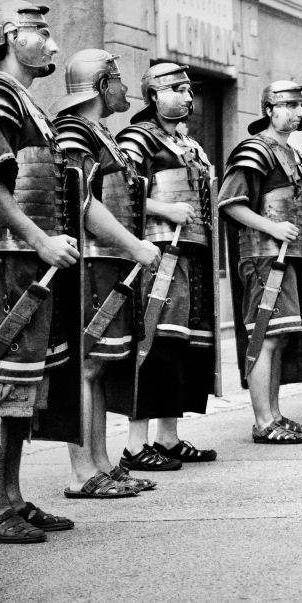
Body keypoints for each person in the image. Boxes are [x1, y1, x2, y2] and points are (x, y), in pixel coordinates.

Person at [0, 0, 80, 543]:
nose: (52, 43)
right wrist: (40, 239)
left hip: (31, 261)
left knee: (23, 386)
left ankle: (13, 497)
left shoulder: (27, 102)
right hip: (5, 258)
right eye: (40, 32)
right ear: (9, 35)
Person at [52, 49, 163, 496]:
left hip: (108, 264)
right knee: (85, 366)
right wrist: (134, 246)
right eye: (119, 79)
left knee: (96, 367)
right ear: (101, 85)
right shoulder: (74, 130)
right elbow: (80, 199)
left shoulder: (100, 132)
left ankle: (101, 464)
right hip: (89, 264)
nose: (126, 88)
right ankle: (82, 473)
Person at [221, 81, 302, 443]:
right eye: (288, 105)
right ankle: (263, 421)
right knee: (265, 336)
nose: (297, 112)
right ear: (269, 110)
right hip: (263, 255)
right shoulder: (255, 149)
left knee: (280, 336)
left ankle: (274, 415)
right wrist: (272, 227)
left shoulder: (294, 154)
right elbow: (230, 202)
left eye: (299, 106)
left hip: (289, 256)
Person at [116, 63, 219, 470]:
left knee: (181, 344)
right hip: (158, 251)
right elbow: (116, 190)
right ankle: (135, 446)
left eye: (188, 89)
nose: (187, 96)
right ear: (153, 95)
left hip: (193, 253)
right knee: (154, 342)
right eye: (176, 88)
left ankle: (168, 438)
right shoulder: (137, 137)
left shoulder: (189, 143)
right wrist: (163, 209)